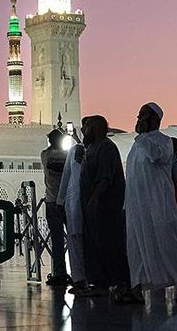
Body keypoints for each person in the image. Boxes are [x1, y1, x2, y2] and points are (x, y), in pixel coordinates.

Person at [124, 103, 177, 302]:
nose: (139, 118)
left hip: (159, 205)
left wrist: (143, 135)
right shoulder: (137, 144)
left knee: (168, 244)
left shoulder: (164, 142)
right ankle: (136, 288)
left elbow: (155, 156)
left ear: (155, 118)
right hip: (138, 207)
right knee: (136, 246)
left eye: (143, 115)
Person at [73, 115, 132, 300]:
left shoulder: (106, 147)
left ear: (97, 128)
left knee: (109, 245)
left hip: (105, 206)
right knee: (95, 245)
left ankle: (121, 283)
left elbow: (105, 178)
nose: (84, 130)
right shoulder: (91, 148)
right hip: (92, 207)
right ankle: (100, 284)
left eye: (88, 127)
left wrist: (94, 199)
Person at [57, 121, 86, 292]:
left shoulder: (101, 150)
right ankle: (79, 279)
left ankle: (94, 279)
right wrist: (60, 202)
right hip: (74, 204)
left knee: (91, 241)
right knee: (75, 240)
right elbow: (66, 177)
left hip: (91, 204)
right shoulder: (75, 151)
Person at [41, 129, 70, 286]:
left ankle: (59, 273)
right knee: (73, 238)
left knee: (57, 239)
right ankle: (79, 275)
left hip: (52, 201)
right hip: (67, 201)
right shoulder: (68, 156)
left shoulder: (45, 155)